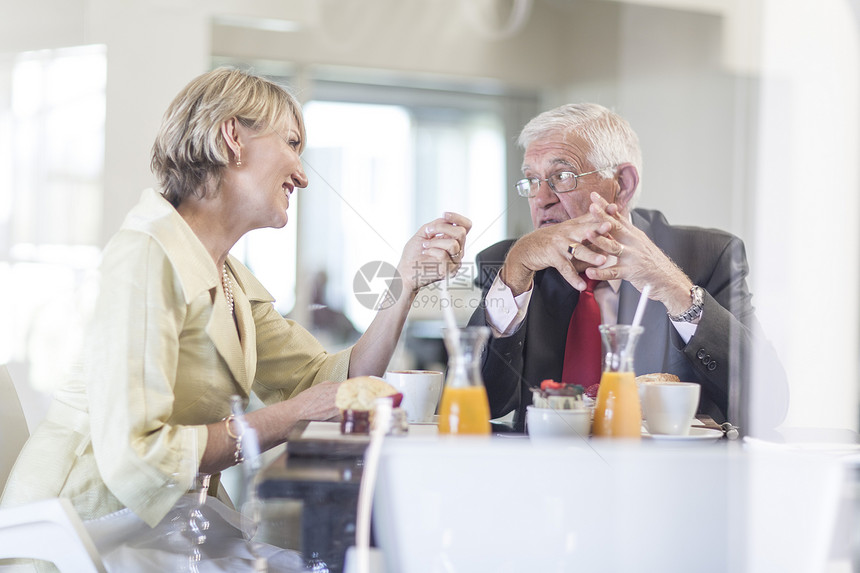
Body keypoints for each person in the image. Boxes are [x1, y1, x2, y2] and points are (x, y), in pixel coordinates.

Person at [0, 67, 470, 571]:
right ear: (232, 138)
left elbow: (332, 381)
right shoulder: (145, 257)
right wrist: (291, 416)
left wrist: (404, 281)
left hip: (168, 523)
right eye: (292, 143)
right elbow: (137, 457)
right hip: (85, 533)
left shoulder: (230, 277)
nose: (303, 173)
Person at [468, 103, 787, 434]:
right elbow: (481, 403)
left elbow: (768, 407)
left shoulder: (708, 257)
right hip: (545, 471)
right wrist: (515, 276)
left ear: (622, 184)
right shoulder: (513, 264)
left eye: (562, 176)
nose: (541, 198)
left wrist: (676, 291)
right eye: (532, 180)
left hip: (666, 477)